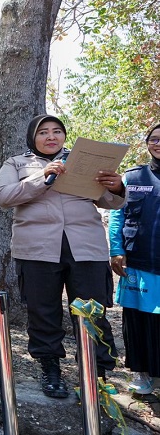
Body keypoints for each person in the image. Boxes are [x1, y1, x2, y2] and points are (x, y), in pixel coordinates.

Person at [0, 114, 125, 399]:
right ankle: (50, 369)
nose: (51, 137)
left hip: (86, 247)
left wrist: (115, 187)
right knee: (43, 310)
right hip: (37, 249)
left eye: (57, 131)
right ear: (33, 137)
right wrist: (42, 177)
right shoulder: (17, 163)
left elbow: (109, 201)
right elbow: (3, 197)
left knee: (92, 310)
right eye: (43, 132)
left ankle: (96, 374)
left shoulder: (80, 162)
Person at [110, 122, 160, 395]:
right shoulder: (133, 177)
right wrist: (116, 249)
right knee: (138, 319)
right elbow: (117, 214)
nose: (158, 143)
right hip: (138, 263)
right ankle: (142, 374)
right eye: (153, 138)